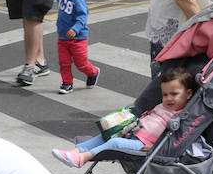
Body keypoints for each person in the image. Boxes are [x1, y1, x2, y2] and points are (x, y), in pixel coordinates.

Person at [52, 67, 198, 168]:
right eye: (165, 94)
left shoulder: (183, 115)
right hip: (133, 132)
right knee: (105, 136)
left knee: (115, 142)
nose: (168, 98)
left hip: (145, 145)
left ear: (189, 94)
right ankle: (75, 152)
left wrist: (157, 147)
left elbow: (179, 138)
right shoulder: (162, 106)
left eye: (174, 94)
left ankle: (82, 159)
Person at [54, 0, 99, 94]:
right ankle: (67, 83)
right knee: (64, 63)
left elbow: (82, 17)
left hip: (78, 39)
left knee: (81, 63)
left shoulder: (78, 1)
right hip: (63, 38)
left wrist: (75, 29)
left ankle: (93, 72)